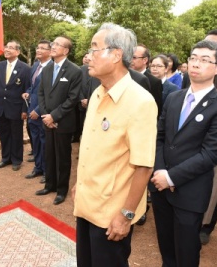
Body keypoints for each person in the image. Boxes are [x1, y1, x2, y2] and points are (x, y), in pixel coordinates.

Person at [72, 22, 157, 266]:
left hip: (111, 213)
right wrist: (81, 184)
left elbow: (143, 166)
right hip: (88, 202)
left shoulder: (140, 101)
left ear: (116, 55)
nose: (88, 56)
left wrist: (126, 215)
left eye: (95, 49)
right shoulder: (98, 92)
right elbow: (92, 149)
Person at [150, 39, 217, 266]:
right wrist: (160, 171)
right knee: (167, 249)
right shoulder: (173, 97)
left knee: (186, 252)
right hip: (160, 187)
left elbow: (210, 155)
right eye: (193, 58)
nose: (196, 64)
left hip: (190, 192)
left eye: (205, 60)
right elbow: (160, 137)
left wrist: (171, 177)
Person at [36, 36, 82, 205]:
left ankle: (61, 190)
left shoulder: (75, 71)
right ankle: (50, 185)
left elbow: (72, 98)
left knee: (62, 157)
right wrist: (46, 115)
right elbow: (41, 93)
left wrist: (54, 116)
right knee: (49, 154)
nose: (52, 46)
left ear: (66, 50)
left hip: (63, 122)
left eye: (57, 44)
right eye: (53, 43)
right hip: (47, 120)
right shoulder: (47, 68)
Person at [0, 41, 31, 171]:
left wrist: (25, 109)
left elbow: (27, 89)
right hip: (1, 106)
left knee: (16, 134)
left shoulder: (25, 68)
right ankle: (5, 158)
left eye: (11, 48)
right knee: (4, 133)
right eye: (6, 47)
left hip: (16, 107)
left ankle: (17, 160)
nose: (7, 49)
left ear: (18, 52)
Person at [22, 40, 52, 183]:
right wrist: (27, 93)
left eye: (42, 48)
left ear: (50, 51)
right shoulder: (35, 66)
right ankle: (38, 167)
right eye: (37, 47)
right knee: (36, 142)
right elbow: (32, 87)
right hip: (31, 111)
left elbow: (50, 93)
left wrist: (38, 111)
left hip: (42, 112)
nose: (38, 50)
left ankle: (47, 171)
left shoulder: (53, 68)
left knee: (45, 143)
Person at [131, 44, 163, 117]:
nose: (130, 60)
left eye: (134, 57)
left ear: (145, 60)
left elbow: (156, 109)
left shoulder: (154, 82)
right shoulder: (125, 77)